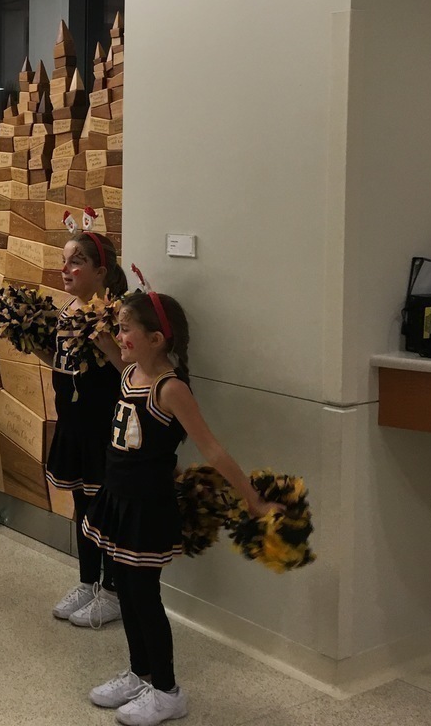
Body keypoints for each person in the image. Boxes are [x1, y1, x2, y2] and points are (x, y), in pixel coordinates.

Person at [82, 291, 282, 726]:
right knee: (126, 590)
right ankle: (140, 674)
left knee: (144, 597)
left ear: (156, 339)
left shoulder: (171, 389)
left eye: (126, 329)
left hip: (147, 506)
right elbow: (126, 375)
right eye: (118, 327)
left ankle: (168, 691)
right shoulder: (131, 372)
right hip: (118, 498)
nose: (119, 335)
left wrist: (252, 498)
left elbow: (212, 449)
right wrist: (108, 342)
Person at [41, 231, 127, 628]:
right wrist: (28, 341)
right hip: (72, 424)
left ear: (101, 271)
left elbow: (131, 371)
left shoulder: (115, 314)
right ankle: (88, 581)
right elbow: (62, 363)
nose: (65, 268)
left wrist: (105, 338)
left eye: (76, 261)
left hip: (101, 427)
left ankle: (113, 591)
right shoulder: (66, 310)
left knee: (104, 511)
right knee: (82, 505)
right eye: (64, 260)